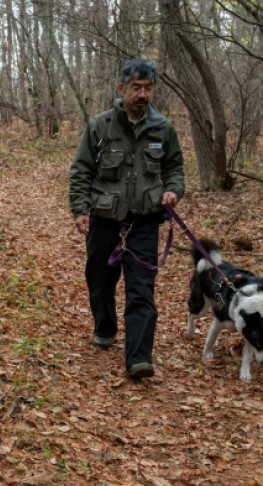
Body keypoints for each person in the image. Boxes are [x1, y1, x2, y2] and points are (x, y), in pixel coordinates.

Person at [68, 58, 185, 380]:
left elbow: (174, 168)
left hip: (144, 222)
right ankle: (105, 326)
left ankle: (138, 358)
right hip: (105, 220)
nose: (142, 94)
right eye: (136, 87)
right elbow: (81, 171)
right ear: (122, 89)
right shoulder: (100, 127)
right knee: (100, 282)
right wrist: (80, 209)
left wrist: (173, 191)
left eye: (148, 88)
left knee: (141, 290)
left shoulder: (164, 129)